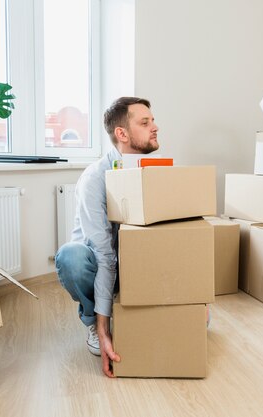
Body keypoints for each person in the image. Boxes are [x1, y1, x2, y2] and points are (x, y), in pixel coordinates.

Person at [54, 97, 159, 377]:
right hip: (97, 266)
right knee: (70, 257)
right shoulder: (95, 179)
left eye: (153, 121)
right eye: (145, 122)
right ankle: (93, 318)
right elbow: (105, 257)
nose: (155, 127)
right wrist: (104, 328)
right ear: (122, 134)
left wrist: (189, 300)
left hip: (133, 266)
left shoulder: (157, 172)